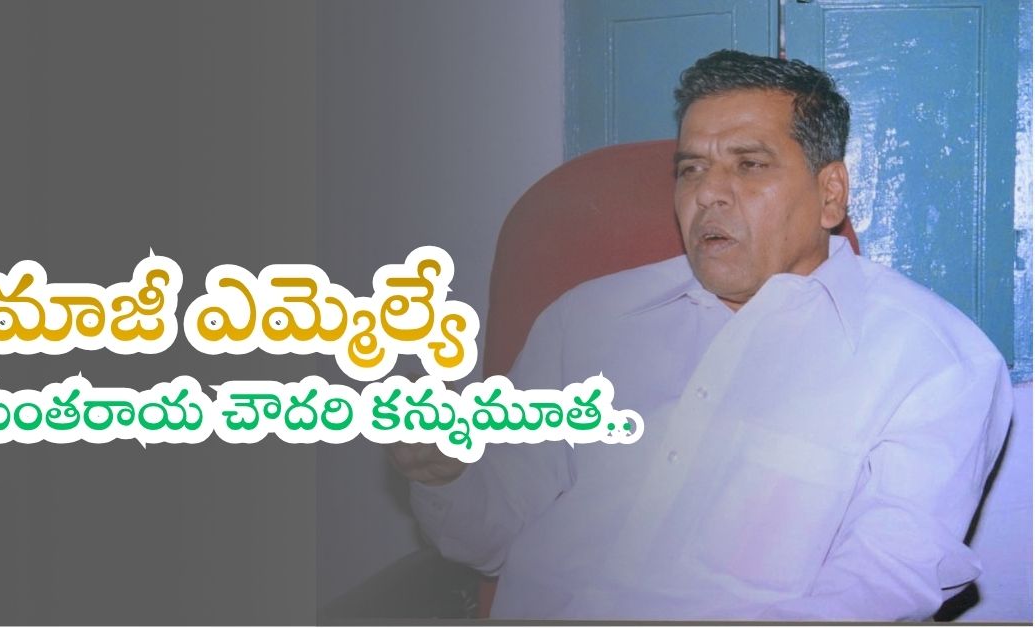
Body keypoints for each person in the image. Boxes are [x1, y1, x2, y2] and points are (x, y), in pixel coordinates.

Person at [387, 50, 1013, 621]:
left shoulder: (932, 360)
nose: (708, 193)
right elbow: (486, 538)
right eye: (691, 170)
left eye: (749, 165)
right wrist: (444, 474)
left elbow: (883, 586)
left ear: (830, 194)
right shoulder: (587, 319)